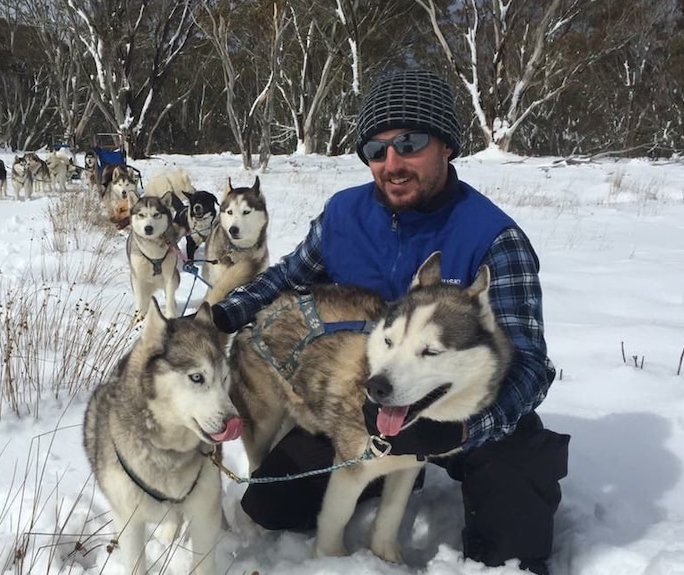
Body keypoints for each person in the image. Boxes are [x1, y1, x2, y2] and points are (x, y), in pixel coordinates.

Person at [210, 69, 570, 575]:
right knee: (275, 506)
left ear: (447, 146)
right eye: (376, 151)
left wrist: (464, 431)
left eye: (409, 142)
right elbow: (288, 277)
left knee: (515, 526)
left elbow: (529, 364)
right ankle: (391, 477)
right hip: (374, 403)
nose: (392, 163)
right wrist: (224, 313)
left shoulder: (494, 239)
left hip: (468, 408)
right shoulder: (343, 215)